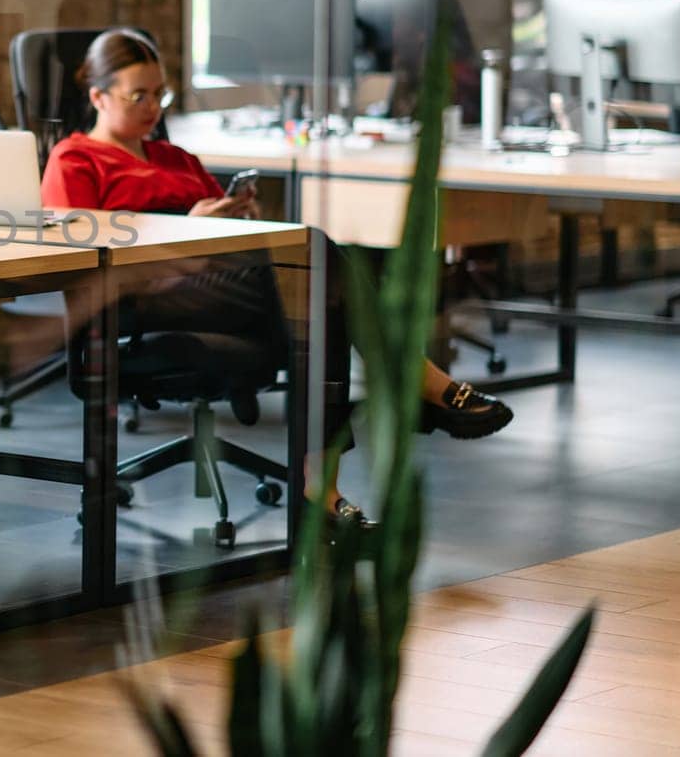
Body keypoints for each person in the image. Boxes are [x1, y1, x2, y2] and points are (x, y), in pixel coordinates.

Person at [41, 29, 514, 527]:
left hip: (226, 286)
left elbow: (233, 240)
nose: (154, 106)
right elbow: (81, 257)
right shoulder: (75, 160)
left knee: (320, 281)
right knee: (318, 264)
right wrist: (187, 230)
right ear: (98, 96)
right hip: (150, 294)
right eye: (139, 95)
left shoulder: (175, 158)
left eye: (161, 93)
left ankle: (325, 485)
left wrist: (241, 219)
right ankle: (407, 388)